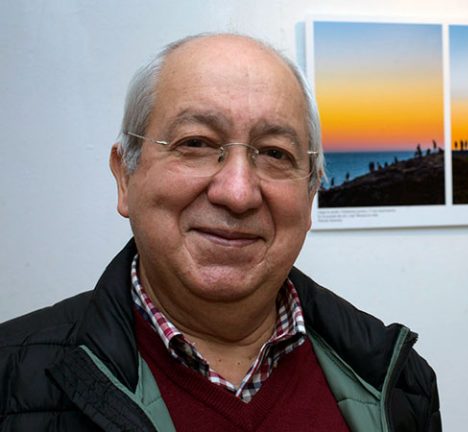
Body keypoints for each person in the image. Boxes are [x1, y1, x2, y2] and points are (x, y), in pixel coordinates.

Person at [0, 33, 440, 431]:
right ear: (125, 177)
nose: (237, 192)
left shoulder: (399, 382)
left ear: (310, 196)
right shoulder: (10, 374)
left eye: (274, 152)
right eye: (196, 143)